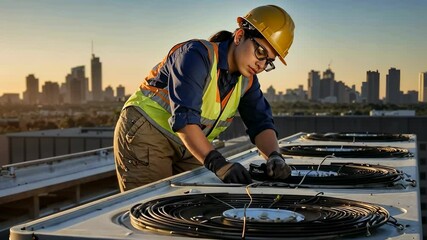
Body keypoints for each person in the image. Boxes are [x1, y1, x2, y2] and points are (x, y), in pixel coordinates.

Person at [114, 5, 295, 192]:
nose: (261, 64)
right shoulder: (196, 55)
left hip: (189, 143)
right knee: (150, 206)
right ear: (240, 36)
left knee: (193, 202)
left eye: (269, 61)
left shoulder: (247, 81)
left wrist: (275, 156)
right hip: (148, 133)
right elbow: (184, 119)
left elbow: (261, 123)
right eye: (260, 52)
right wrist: (219, 164)